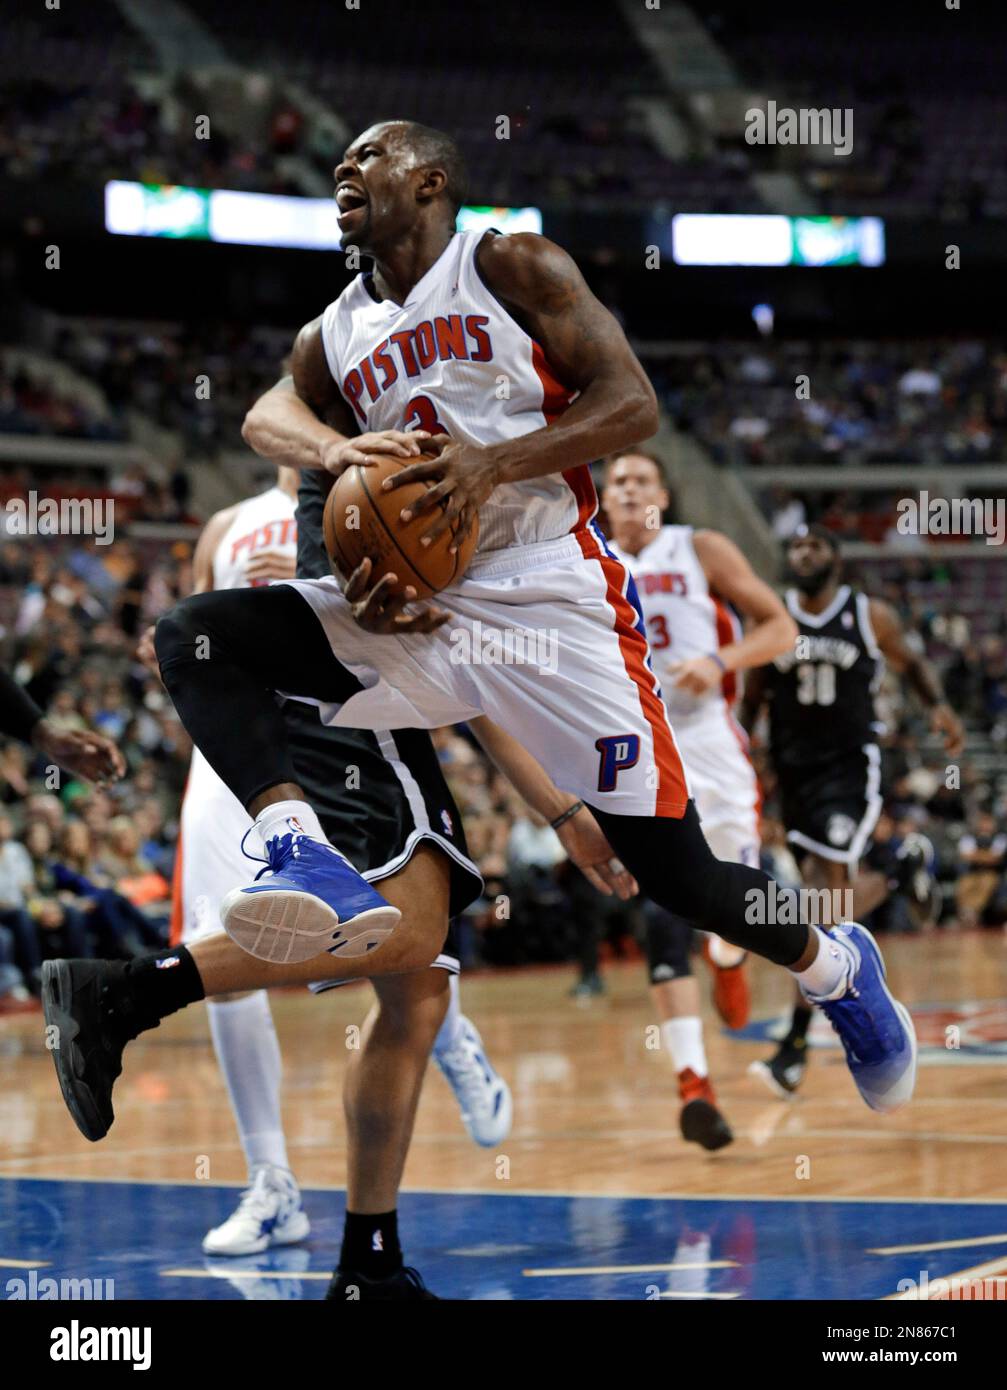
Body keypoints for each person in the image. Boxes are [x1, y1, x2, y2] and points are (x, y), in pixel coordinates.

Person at [46, 122, 919, 1266]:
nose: (347, 175)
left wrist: (490, 464)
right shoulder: (338, 328)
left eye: (371, 159)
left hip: (555, 600)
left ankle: (836, 966)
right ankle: (297, 846)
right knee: (197, 635)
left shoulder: (510, 264)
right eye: (340, 166)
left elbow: (631, 403)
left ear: (431, 181)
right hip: (425, 605)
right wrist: (339, 455)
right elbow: (266, 415)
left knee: (680, 877)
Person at [145, 460, 518, 1260]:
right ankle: (270, 1183)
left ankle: (448, 1035)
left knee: (388, 930)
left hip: (341, 731)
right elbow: (182, 646)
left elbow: (424, 630)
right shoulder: (227, 525)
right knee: (221, 940)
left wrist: (313, 597)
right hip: (237, 759)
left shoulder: (378, 504)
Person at [603, 449, 796, 1149]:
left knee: (732, 906)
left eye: (641, 479)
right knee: (662, 912)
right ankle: (693, 1083)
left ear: (663, 492)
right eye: (616, 480)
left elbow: (780, 628)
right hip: (637, 746)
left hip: (709, 742)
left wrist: (719, 659)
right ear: (601, 494)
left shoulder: (699, 548)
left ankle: (730, 956)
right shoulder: (584, 556)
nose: (627, 488)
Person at [740, 525, 964, 1097]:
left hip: (848, 766)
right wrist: (745, 757)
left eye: (815, 546)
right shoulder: (774, 615)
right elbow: (754, 694)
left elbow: (911, 664)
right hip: (793, 771)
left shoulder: (869, 615)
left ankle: (793, 1045)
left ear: (835, 559)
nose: (803, 554)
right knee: (822, 902)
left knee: (825, 894)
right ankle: (898, 869)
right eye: (795, 546)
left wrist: (938, 708)